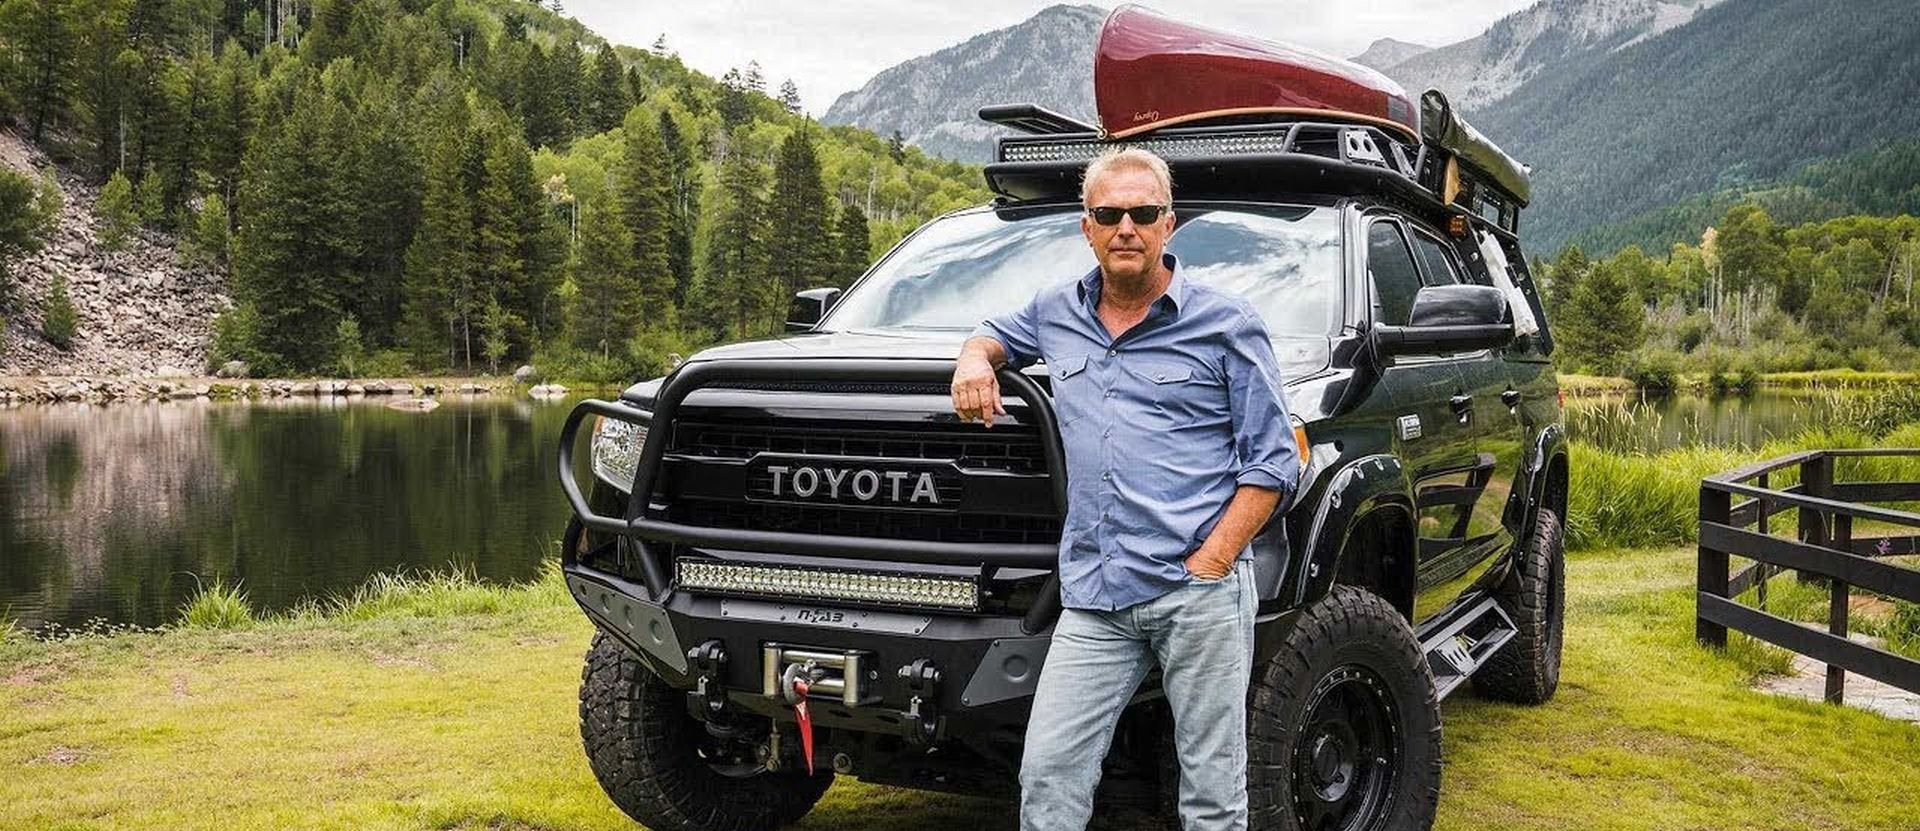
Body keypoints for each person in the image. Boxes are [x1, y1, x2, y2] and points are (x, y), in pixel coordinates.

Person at [950, 147, 1300, 831]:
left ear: (1169, 223)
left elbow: (1274, 462)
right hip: (1095, 596)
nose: (1126, 228)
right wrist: (973, 359)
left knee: (1211, 793)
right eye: (1109, 214)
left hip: (1196, 593)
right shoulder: (1055, 311)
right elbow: (992, 335)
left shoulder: (1228, 323)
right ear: (1087, 227)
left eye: (1143, 212)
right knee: (1048, 773)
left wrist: (1213, 560)